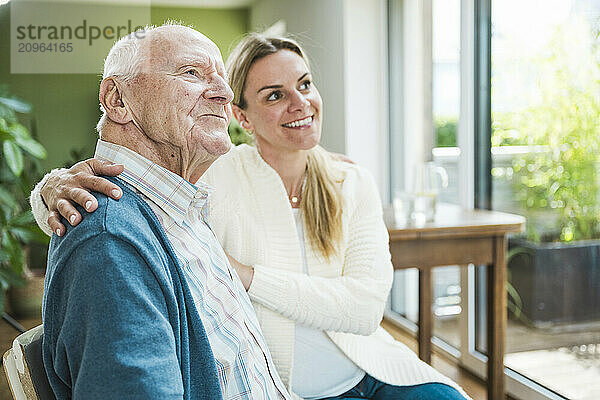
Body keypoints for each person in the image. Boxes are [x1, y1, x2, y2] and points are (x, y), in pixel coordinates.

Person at [31, 33, 469, 399]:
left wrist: (246, 275)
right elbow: (122, 191)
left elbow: (365, 309)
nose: (300, 104)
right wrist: (50, 189)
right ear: (239, 115)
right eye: (275, 95)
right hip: (287, 386)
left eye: (305, 84)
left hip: (369, 368)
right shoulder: (213, 171)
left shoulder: (350, 181)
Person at [35, 25, 290, 400]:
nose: (225, 93)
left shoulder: (182, 202)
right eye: (192, 73)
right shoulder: (111, 240)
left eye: (221, 78)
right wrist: (50, 191)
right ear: (117, 99)